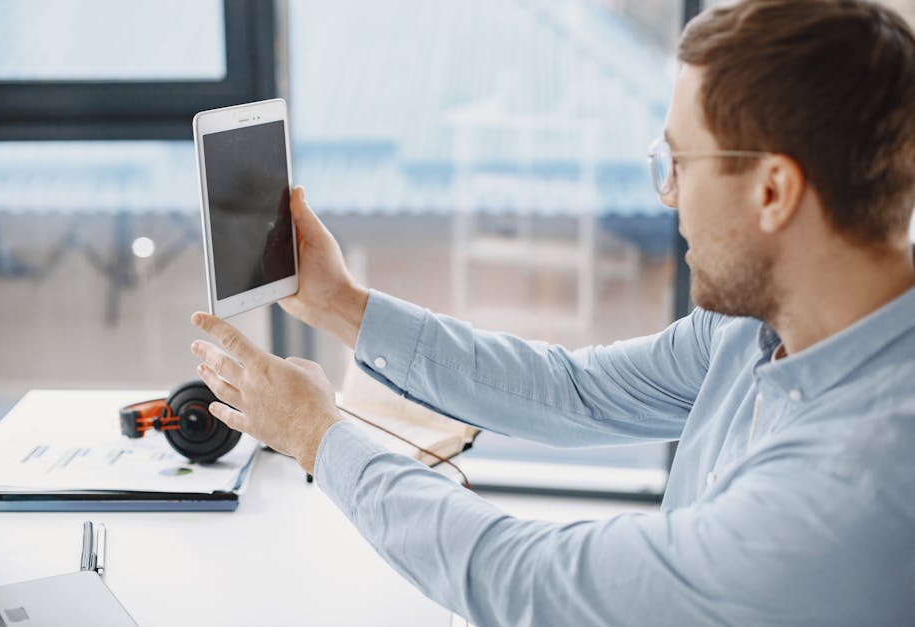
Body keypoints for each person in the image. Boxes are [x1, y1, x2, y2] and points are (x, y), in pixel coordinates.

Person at [189, 0, 915, 624]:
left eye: (680, 164)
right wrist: (341, 305)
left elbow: (531, 582)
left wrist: (317, 435)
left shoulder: (854, 483)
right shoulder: (754, 326)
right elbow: (573, 390)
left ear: (772, 193)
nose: (668, 197)